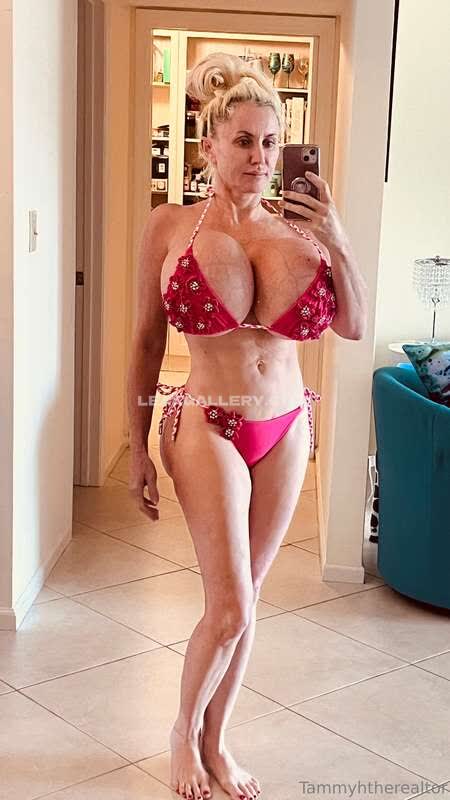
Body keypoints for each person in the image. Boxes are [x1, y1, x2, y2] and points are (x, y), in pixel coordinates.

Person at [127, 52, 368, 800]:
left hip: (287, 424)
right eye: (242, 141)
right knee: (228, 604)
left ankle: (216, 739)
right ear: (209, 145)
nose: (259, 157)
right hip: (206, 420)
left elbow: (355, 326)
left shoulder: (305, 229)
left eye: (270, 141)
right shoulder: (170, 225)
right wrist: (135, 447)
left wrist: (337, 238)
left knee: (249, 598)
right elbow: (146, 340)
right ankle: (182, 732)